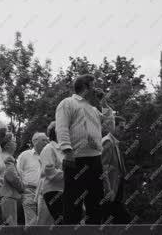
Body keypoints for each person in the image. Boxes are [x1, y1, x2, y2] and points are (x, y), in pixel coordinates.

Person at [55, 74, 115, 225]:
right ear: (86, 87)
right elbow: (61, 127)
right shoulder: (68, 103)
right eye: (93, 85)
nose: (96, 89)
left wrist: (104, 103)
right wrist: (67, 151)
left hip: (95, 159)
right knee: (73, 202)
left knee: (96, 202)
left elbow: (110, 126)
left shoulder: (94, 109)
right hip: (76, 158)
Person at [101, 116, 130, 224]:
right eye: (121, 128)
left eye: (124, 128)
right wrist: (108, 190)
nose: (123, 131)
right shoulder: (108, 142)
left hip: (116, 189)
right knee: (123, 220)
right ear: (113, 126)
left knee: (114, 221)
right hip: (110, 191)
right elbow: (103, 168)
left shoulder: (114, 143)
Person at [16, 132, 49, 226]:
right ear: (34, 141)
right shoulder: (25, 155)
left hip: (44, 191)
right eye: (43, 140)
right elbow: (18, 172)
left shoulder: (49, 154)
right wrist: (23, 188)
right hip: (29, 190)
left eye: (47, 140)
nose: (46, 142)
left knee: (44, 223)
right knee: (31, 222)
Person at [38, 121, 64, 224]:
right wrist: (69, 174)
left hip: (63, 190)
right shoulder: (48, 149)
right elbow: (49, 172)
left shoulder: (64, 149)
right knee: (62, 223)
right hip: (53, 191)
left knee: (65, 223)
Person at [0, 133, 24, 225]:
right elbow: (12, 177)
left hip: (1, 195)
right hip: (8, 196)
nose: (16, 144)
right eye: (14, 141)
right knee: (11, 227)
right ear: (7, 145)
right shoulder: (8, 158)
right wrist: (22, 188)